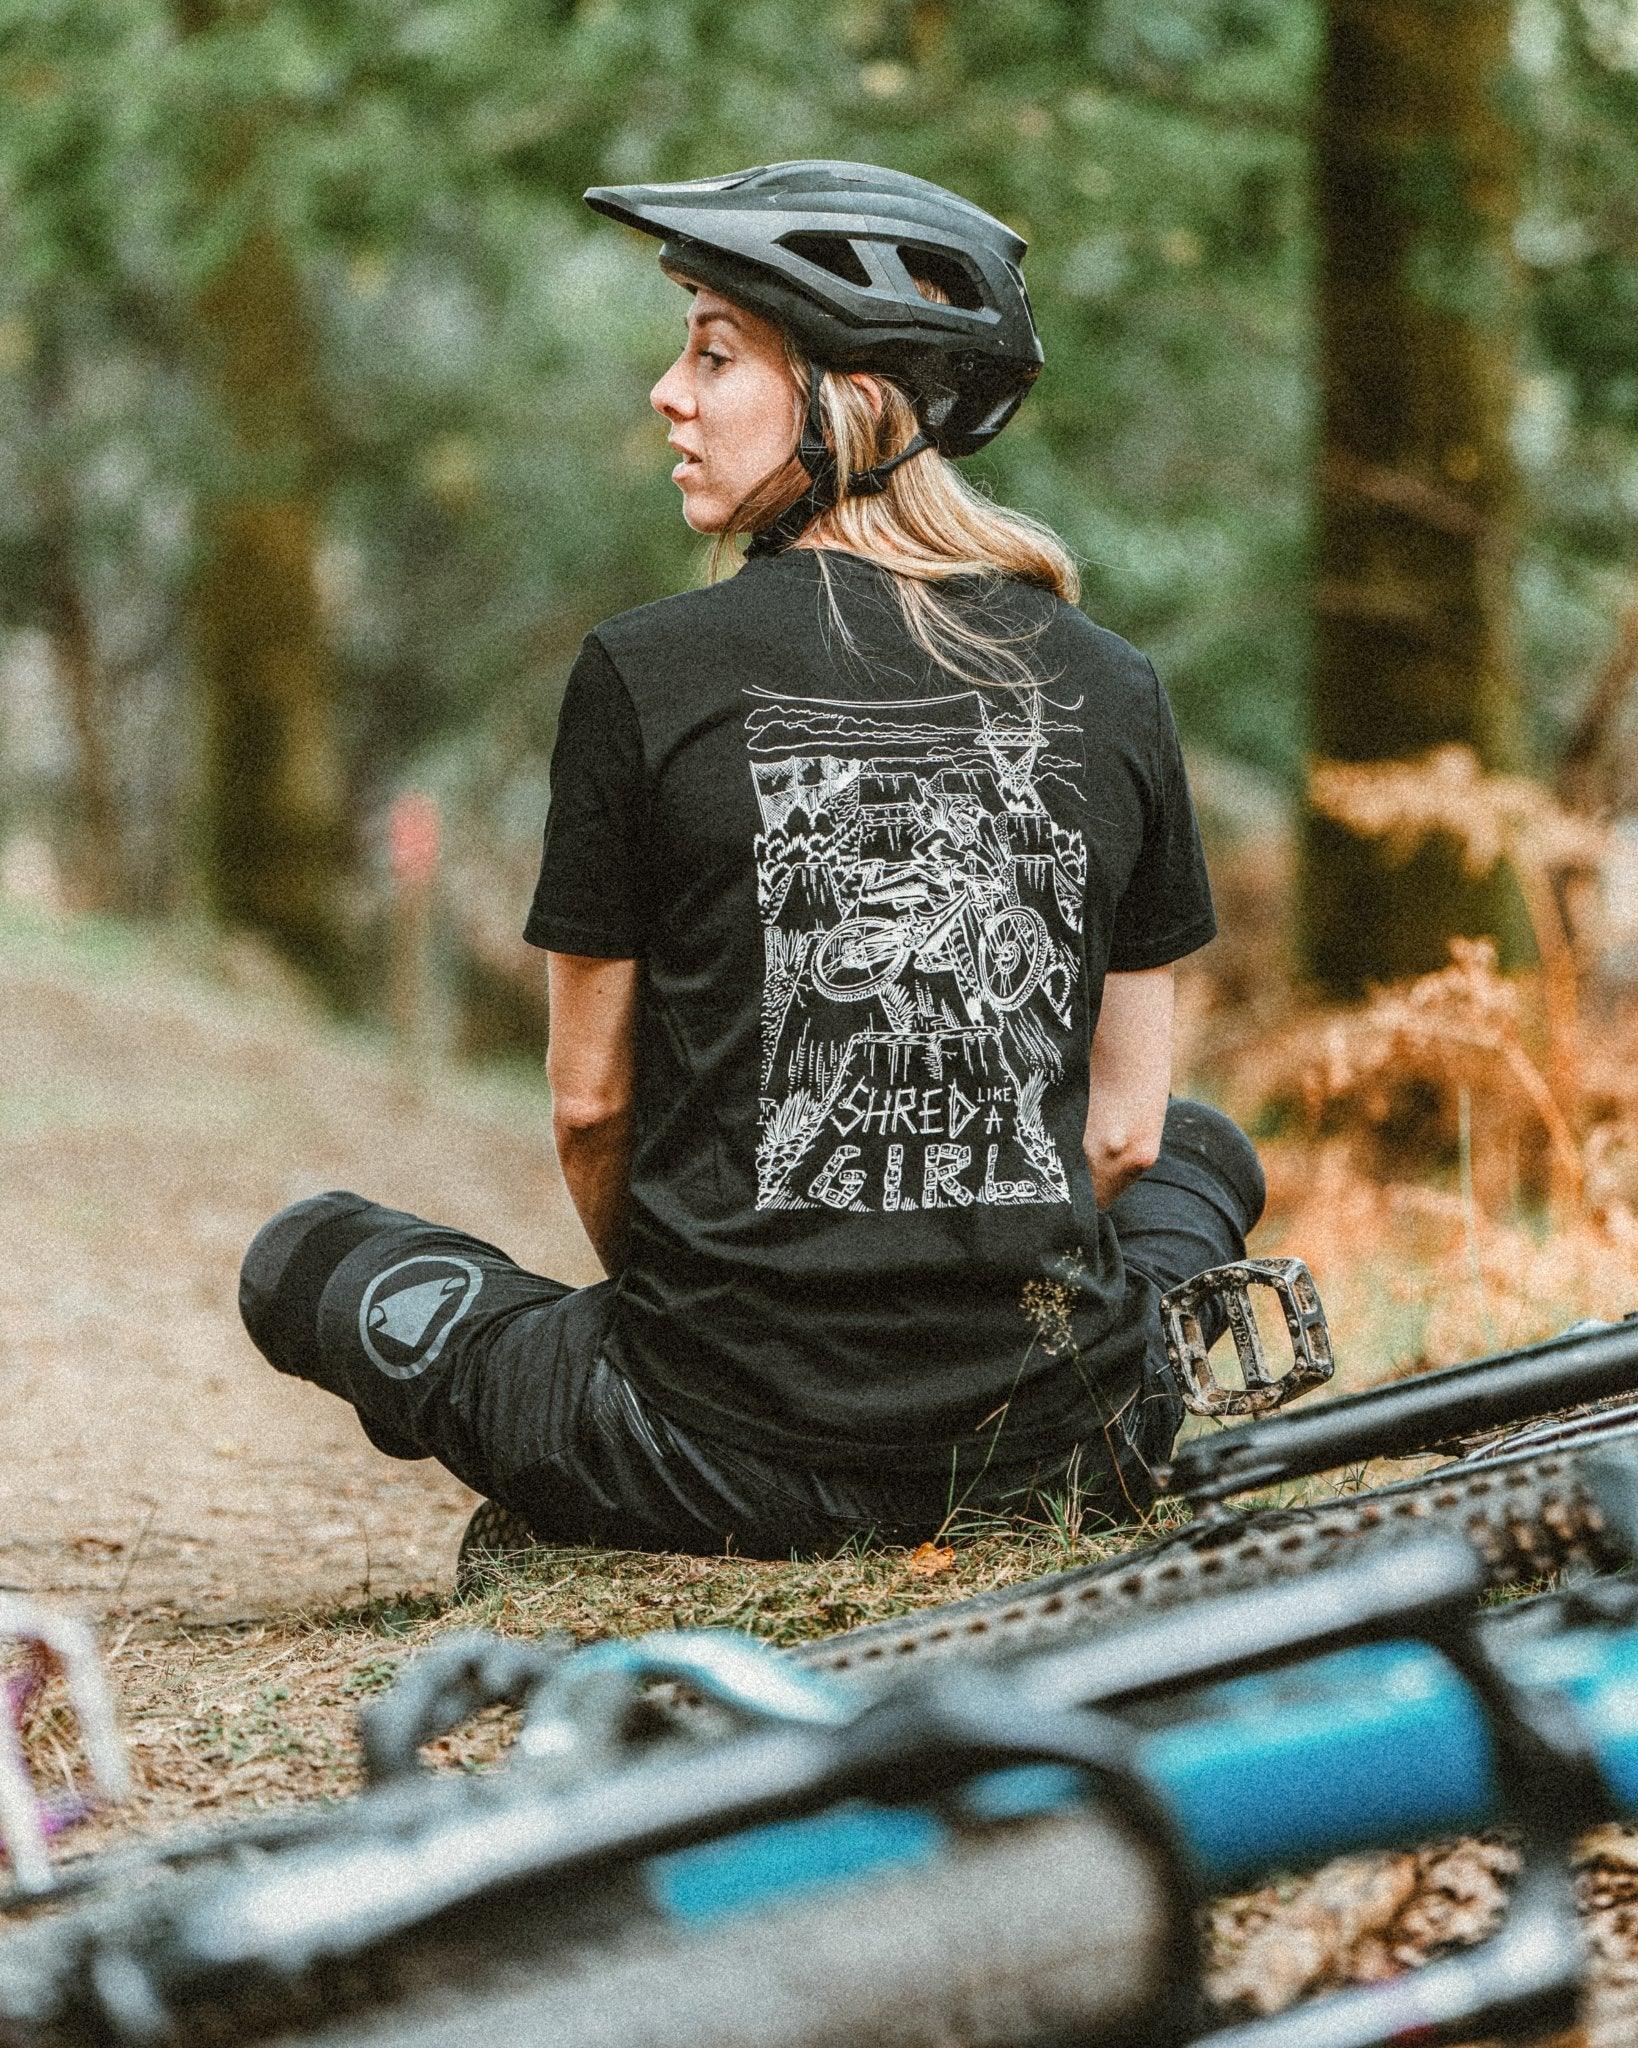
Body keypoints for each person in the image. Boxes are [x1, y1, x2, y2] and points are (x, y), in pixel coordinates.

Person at [239, 161, 1265, 1561]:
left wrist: (716, 1343)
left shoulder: (643, 673)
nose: (669, 391)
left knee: (308, 1255)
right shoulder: (1116, 683)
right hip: (1060, 1438)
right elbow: (1121, 1137)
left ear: (848, 400)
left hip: (703, 1453)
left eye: (714, 354)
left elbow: (592, 1106)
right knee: (1202, 1149)